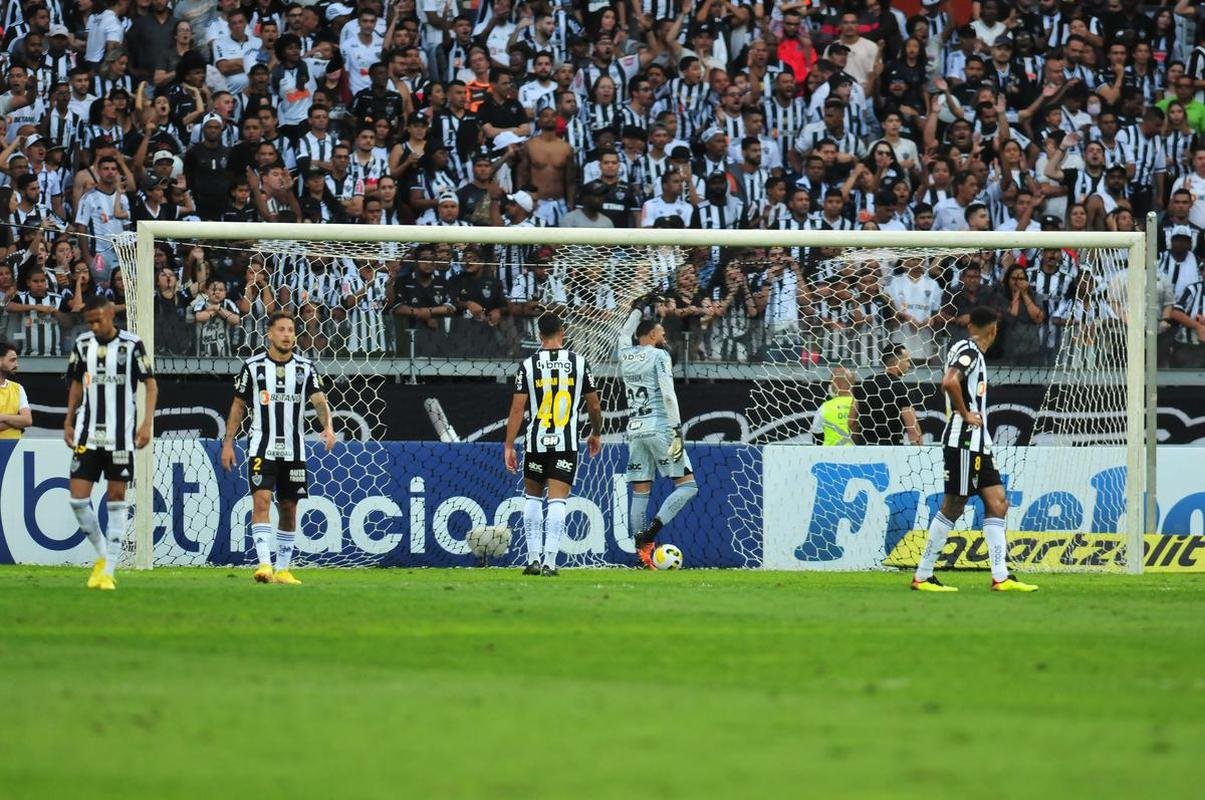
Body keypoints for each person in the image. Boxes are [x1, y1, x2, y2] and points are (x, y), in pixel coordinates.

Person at [911, 306, 1037, 593]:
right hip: (964, 440)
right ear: (994, 330)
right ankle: (923, 575)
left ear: (971, 325)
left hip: (979, 445)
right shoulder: (968, 351)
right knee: (953, 505)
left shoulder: (967, 349)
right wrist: (966, 413)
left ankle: (1001, 577)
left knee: (998, 503)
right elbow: (949, 381)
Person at [220, 311, 336, 585]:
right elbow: (238, 405)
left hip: (295, 450)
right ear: (269, 334)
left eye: (291, 330)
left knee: (289, 507)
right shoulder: (253, 366)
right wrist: (228, 443)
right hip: (262, 447)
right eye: (281, 329)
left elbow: (319, 401)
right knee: (260, 500)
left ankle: (283, 569)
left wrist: (328, 427)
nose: (287, 335)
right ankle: (263, 564)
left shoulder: (306, 367)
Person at [64, 296, 158, 591]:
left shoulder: (132, 345)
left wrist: (146, 423)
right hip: (87, 433)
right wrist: (68, 419)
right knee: (77, 500)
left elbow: (150, 384)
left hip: (121, 436)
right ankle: (105, 557)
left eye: (97, 320)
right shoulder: (82, 344)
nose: (93, 326)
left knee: (116, 497)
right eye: (89, 321)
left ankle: (109, 570)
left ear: (109, 314)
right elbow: (77, 383)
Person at [503, 313, 603, 576]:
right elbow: (594, 405)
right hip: (565, 443)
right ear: (563, 332)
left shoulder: (528, 365)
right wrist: (596, 433)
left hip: (535, 442)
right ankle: (550, 562)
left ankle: (533, 559)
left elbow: (516, 409)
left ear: (539, 336)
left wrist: (508, 446)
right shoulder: (579, 363)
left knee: (533, 498)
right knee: (558, 500)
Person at [617, 308, 698, 569]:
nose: (664, 337)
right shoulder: (660, 355)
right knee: (688, 486)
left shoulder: (624, 353)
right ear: (651, 335)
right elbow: (667, 394)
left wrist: (637, 310)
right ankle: (652, 531)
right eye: (661, 333)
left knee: (640, 494)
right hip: (662, 427)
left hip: (635, 430)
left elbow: (624, 332)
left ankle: (642, 557)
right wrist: (676, 428)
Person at [850, 344, 922, 446]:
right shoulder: (901, 388)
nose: (909, 365)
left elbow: (852, 421)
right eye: (907, 361)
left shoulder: (865, 383)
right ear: (897, 362)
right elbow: (912, 428)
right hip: (890, 450)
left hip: (865, 447)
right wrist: (920, 455)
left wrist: (858, 444)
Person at [810, 366, 855, 446]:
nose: (830, 385)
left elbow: (816, 434)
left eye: (831, 382)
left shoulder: (825, 407)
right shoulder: (862, 406)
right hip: (857, 455)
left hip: (830, 455)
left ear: (837, 383)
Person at [0, 341, 31, 440]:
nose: (16, 365)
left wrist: (3, 417)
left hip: (15, 451)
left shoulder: (18, 388)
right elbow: (23, 421)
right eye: (12, 360)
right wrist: (17, 420)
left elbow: (27, 420)